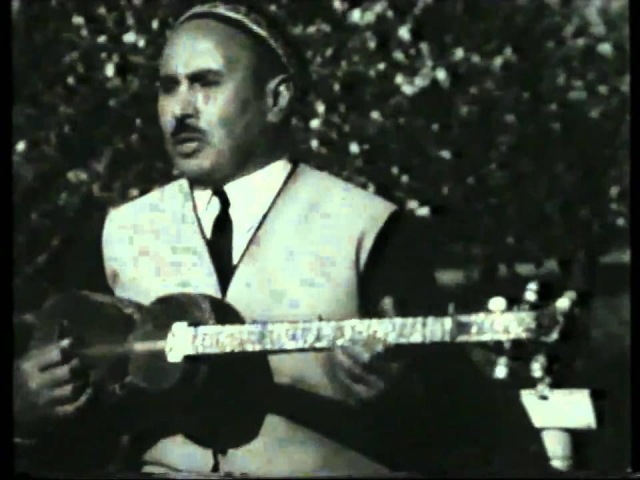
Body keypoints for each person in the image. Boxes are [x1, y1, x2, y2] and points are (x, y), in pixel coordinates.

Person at [14, 2, 570, 476]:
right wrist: (27, 407)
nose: (181, 109)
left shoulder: (372, 229)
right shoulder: (116, 232)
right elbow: (78, 439)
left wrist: (399, 398)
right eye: (168, 87)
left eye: (206, 82)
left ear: (276, 99)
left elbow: (466, 429)